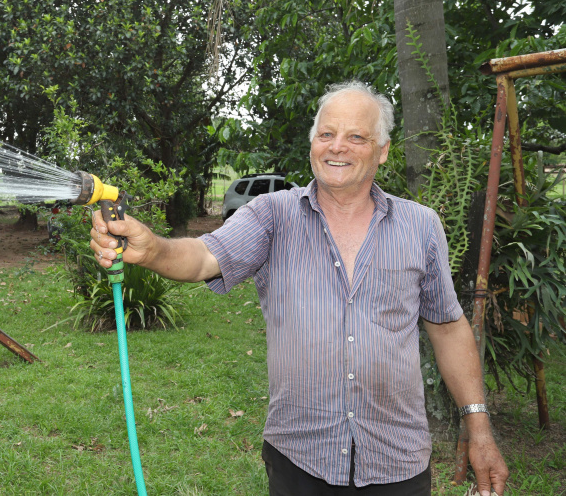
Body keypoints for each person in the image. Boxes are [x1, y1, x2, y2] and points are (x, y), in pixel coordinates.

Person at [90, 80, 509, 495]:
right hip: (300, 461)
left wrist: (479, 426)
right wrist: (152, 250)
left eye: (355, 137)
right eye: (326, 134)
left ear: (382, 151)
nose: (336, 147)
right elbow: (202, 257)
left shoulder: (421, 226)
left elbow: (449, 328)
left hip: (396, 461)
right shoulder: (272, 215)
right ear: (312, 144)